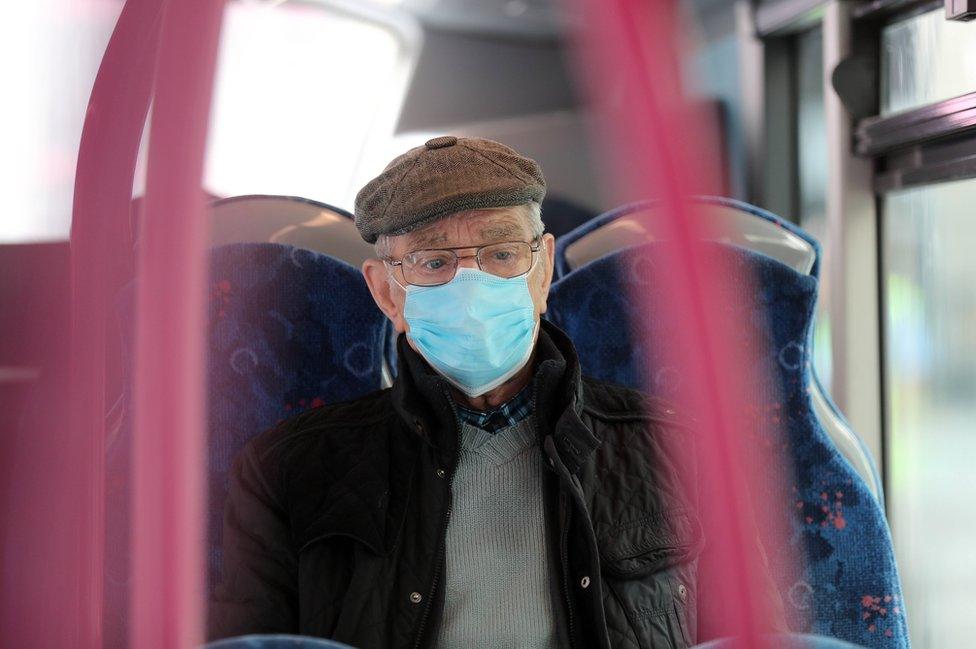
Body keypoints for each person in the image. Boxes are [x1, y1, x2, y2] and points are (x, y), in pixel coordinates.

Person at [208, 136, 781, 648]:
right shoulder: (288, 468)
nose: (472, 285)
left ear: (544, 269)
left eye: (502, 254)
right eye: (434, 262)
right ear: (387, 293)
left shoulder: (682, 447)